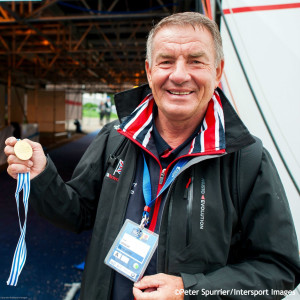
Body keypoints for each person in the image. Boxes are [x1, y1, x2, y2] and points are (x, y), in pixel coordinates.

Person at [4, 12, 300, 300]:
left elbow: (279, 271)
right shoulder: (114, 138)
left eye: (196, 61)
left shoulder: (246, 158)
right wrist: (43, 175)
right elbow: (77, 213)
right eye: (166, 62)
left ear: (218, 71)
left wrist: (192, 291)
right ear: (149, 70)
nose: (180, 75)